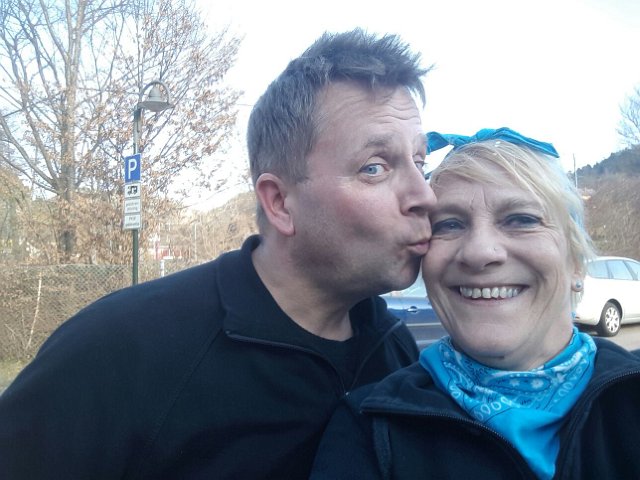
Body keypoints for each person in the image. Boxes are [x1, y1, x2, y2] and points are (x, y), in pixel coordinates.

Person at [0, 29, 436, 479]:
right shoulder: (118, 352)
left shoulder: (394, 350)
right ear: (280, 202)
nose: (425, 195)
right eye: (374, 168)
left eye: (420, 162)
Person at [311, 127, 640, 480]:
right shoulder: (370, 428)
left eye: (521, 219)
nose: (480, 252)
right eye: (449, 225)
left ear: (575, 263)